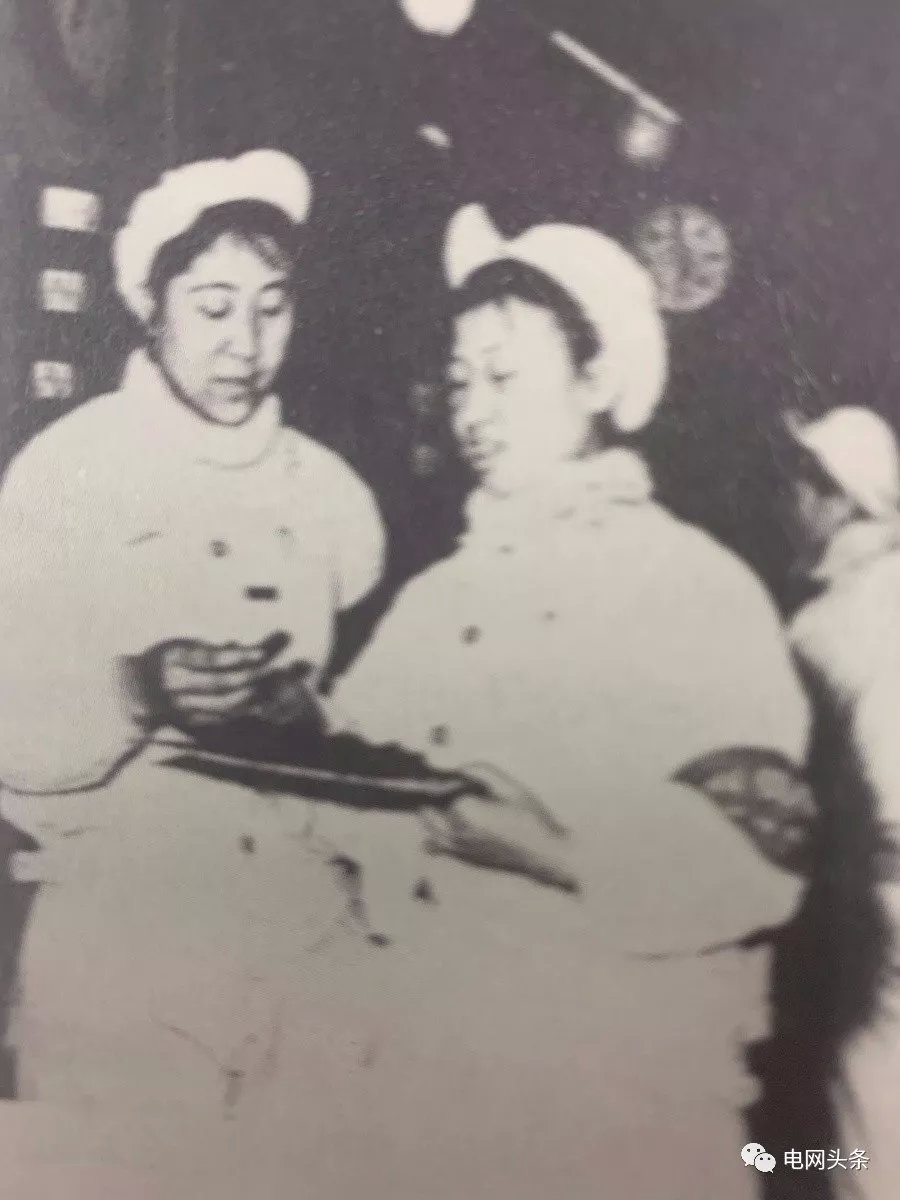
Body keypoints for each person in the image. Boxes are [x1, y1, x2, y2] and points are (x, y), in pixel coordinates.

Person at [314, 204, 813, 1200]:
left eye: (503, 377)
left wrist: (549, 849)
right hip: (436, 1095)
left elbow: (761, 852)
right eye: (461, 380)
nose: (472, 410)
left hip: (618, 1106)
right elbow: (344, 789)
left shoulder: (690, 583)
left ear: (598, 379)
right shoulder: (437, 597)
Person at [0, 150, 395, 1196]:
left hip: (305, 949)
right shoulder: (68, 472)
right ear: (151, 305)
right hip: (127, 956)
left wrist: (314, 725)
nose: (245, 344)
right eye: (213, 307)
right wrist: (141, 691)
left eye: (272, 308)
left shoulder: (331, 496)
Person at [784, 407, 900, 1200]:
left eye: (802, 482)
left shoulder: (823, 627)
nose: (789, 500)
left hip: (875, 902)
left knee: (857, 1140)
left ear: (838, 498)